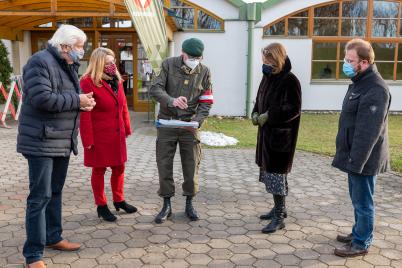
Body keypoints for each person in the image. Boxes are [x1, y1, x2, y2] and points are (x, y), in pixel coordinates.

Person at [17, 25, 96, 268]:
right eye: (79, 47)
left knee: (55, 192)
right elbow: (42, 99)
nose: (82, 51)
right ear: (64, 46)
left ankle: (53, 237)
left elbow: (64, 96)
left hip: (60, 140)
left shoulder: (66, 63)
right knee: (39, 198)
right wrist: (77, 100)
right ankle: (33, 255)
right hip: (41, 141)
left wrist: (82, 103)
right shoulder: (39, 62)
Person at [332, 38, 391, 257]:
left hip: (364, 158)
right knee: (357, 199)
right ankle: (358, 232)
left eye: (350, 60)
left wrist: (356, 162)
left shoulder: (375, 88)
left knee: (364, 202)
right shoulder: (360, 82)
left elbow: (368, 132)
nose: (345, 63)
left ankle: (361, 242)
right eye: (345, 59)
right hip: (354, 155)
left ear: (364, 63)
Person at [150, 38, 213, 224]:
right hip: (167, 123)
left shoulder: (204, 71)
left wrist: (197, 120)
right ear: (182, 54)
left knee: (192, 164)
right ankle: (166, 204)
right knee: (164, 163)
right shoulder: (168, 65)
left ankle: (189, 203)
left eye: (198, 57)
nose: (194, 60)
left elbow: (207, 99)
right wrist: (171, 100)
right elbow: (155, 88)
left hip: (189, 125)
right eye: (191, 57)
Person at [80, 47, 136, 222]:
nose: (113, 65)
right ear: (99, 64)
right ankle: (101, 206)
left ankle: (119, 200)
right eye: (109, 63)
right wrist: (87, 139)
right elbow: (85, 112)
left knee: (119, 168)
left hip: (116, 134)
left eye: (113, 62)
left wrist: (127, 127)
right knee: (99, 170)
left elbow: (123, 106)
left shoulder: (117, 80)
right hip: (99, 136)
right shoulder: (87, 82)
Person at [252, 43, 302, 234]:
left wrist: (269, 115)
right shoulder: (267, 78)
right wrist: (255, 113)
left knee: (276, 175)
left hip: (281, 138)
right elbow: (259, 99)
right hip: (266, 135)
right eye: (264, 59)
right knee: (271, 174)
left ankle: (279, 216)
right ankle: (278, 208)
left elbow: (293, 109)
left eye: (268, 60)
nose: (264, 63)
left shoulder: (290, 80)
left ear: (277, 59)